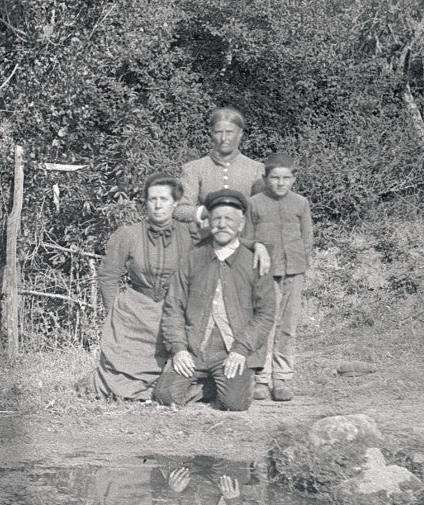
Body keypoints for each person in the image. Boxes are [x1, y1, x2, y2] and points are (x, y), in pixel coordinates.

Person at [152, 189, 277, 412]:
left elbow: (265, 314)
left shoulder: (255, 262)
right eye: (216, 218)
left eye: (229, 219)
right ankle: (210, 386)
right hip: (194, 348)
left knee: (234, 404)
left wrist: (241, 349)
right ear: (209, 222)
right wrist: (179, 349)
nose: (222, 224)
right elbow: (173, 307)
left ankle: (225, 384)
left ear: (241, 225)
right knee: (165, 395)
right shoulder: (193, 259)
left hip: (231, 351)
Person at [81, 172, 191, 401]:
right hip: (134, 315)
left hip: (172, 314)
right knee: (114, 383)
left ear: (176, 203)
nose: (158, 205)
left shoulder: (189, 235)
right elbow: (108, 275)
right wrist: (114, 312)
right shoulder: (128, 234)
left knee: (177, 380)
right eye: (152, 199)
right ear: (146, 202)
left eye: (164, 199)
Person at [248, 154, 314, 402]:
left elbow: (307, 238)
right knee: (265, 324)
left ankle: (283, 378)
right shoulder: (254, 203)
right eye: (275, 178)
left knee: (287, 327)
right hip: (265, 274)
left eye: (286, 178)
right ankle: (261, 379)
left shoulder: (300, 203)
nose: (280, 183)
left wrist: (301, 262)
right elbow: (246, 237)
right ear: (265, 179)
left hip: (294, 271)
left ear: (294, 179)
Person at [174, 107, 268, 243]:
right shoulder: (194, 168)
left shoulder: (256, 169)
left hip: (244, 243)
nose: (224, 138)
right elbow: (180, 209)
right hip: (204, 242)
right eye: (218, 132)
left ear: (240, 133)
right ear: (211, 133)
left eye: (229, 132)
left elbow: (263, 211)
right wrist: (204, 212)